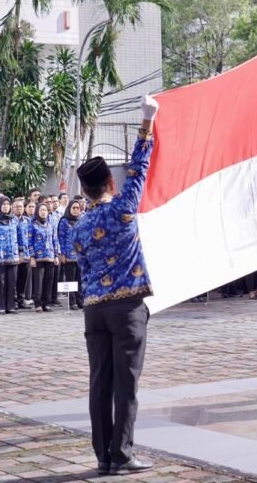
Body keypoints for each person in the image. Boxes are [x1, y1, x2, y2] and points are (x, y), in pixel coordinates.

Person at [71, 95, 160, 476]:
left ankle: (103, 455)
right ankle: (122, 455)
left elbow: (84, 264)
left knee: (99, 383)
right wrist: (147, 121)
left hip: (94, 310)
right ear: (110, 182)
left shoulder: (78, 227)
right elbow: (140, 169)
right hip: (127, 308)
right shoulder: (123, 210)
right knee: (126, 385)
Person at [0, 197, 25, 314]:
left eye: (8, 204)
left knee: (12, 282)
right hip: (0, 256)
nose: (6, 206)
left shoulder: (14, 219)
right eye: (3, 204)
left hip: (13, 255)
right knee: (0, 282)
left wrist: (20, 253)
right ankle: (1, 306)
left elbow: (20, 237)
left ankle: (10, 306)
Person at [28, 203, 60, 313]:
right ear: (37, 211)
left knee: (49, 280)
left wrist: (56, 255)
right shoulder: (32, 224)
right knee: (38, 281)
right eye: (41, 210)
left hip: (50, 256)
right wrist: (32, 256)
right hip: (38, 257)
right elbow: (30, 242)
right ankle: (38, 303)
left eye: (45, 210)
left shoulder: (51, 225)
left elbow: (55, 240)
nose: (43, 212)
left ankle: (47, 303)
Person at [58, 199, 84, 310]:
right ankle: (71, 301)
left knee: (80, 279)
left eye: (78, 208)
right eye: (74, 208)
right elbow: (61, 238)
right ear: (69, 208)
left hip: (80, 254)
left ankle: (80, 300)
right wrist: (62, 254)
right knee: (70, 278)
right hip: (68, 255)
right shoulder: (64, 221)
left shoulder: (81, 220)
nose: (76, 210)